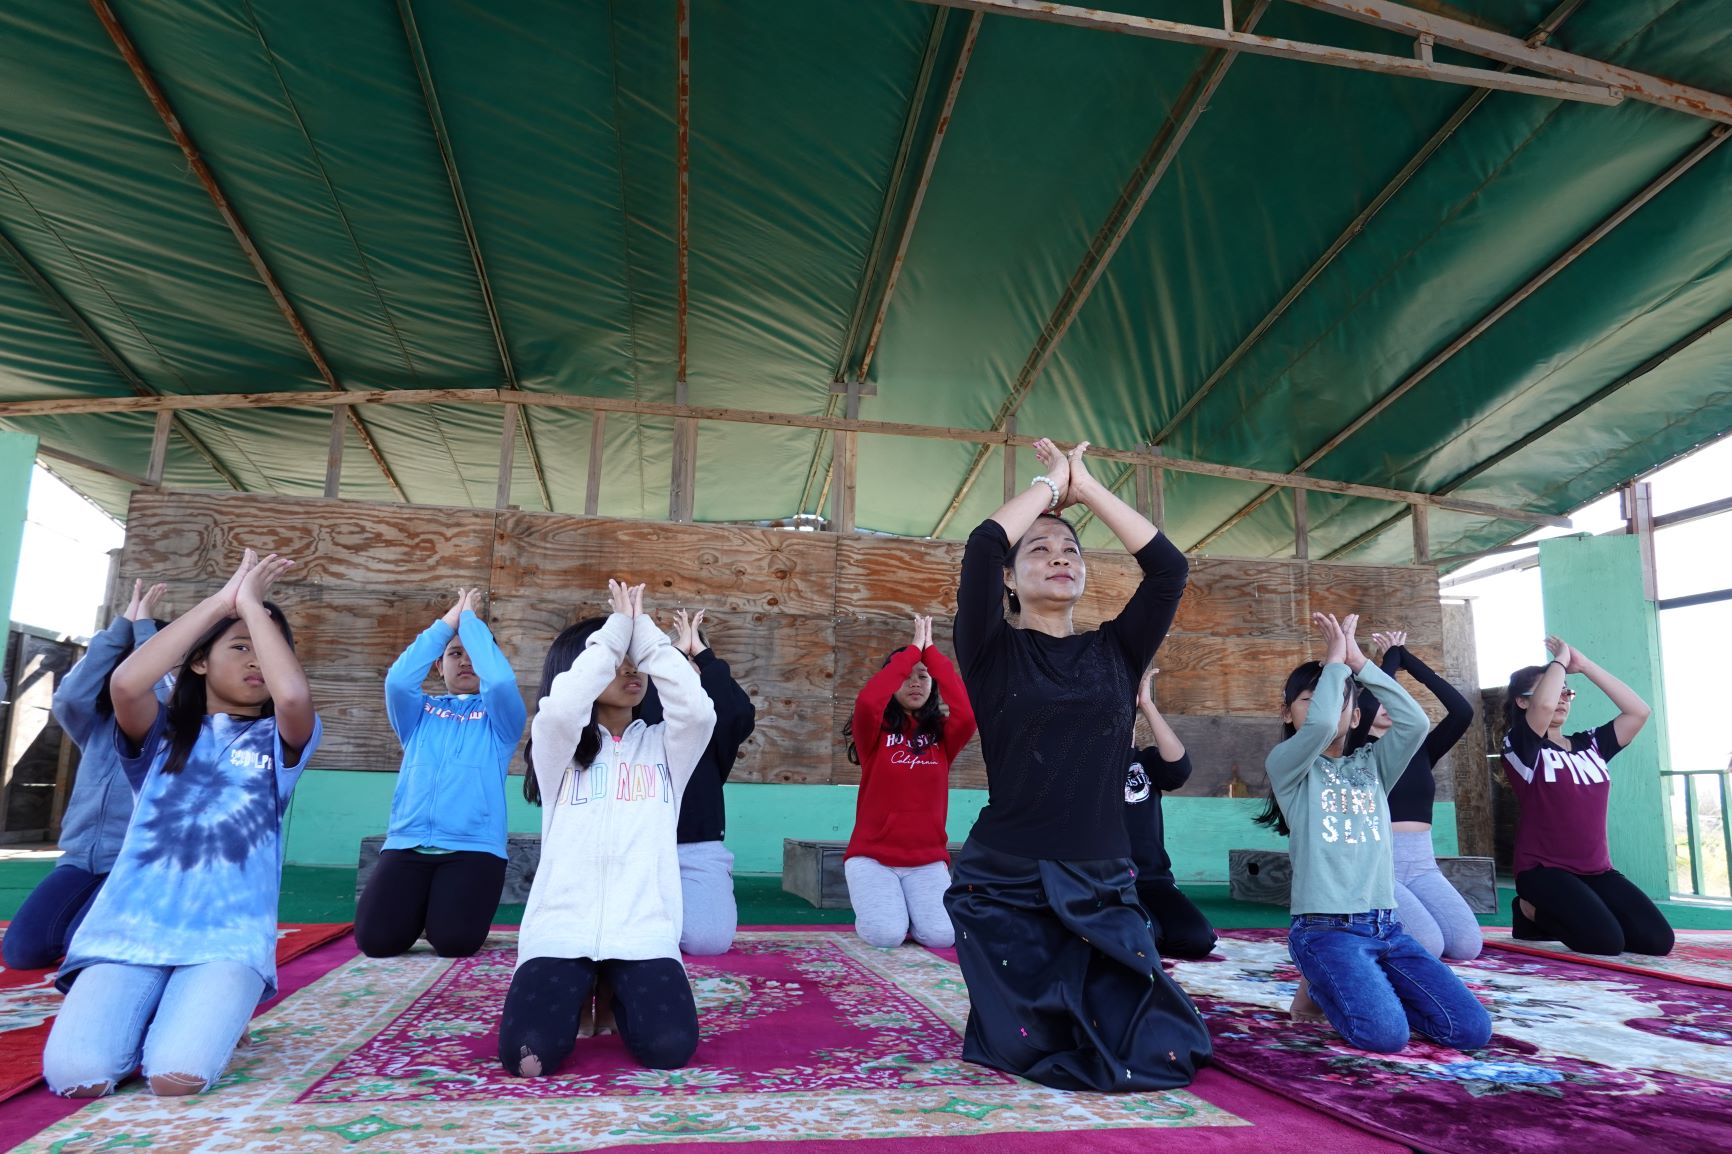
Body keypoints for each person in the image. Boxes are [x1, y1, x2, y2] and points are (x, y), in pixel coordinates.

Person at [944, 437, 1210, 1092]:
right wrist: (1050, 485)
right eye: (1038, 550)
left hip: (1102, 879)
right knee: (1029, 1047)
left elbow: (1168, 570)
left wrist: (1086, 488)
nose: (1059, 557)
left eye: (1070, 550)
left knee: (1160, 1050)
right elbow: (982, 545)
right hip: (1007, 881)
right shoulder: (989, 651)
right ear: (1010, 579)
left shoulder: (1118, 650)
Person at [42, 551, 320, 1098]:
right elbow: (126, 684)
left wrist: (253, 607)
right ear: (198, 663)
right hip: (129, 933)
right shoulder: (161, 735)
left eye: (267, 648)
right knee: (77, 1075)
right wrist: (223, 601)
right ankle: (166, 1012)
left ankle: (211, 1010)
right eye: (239, 646)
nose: (257, 661)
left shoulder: (280, 740)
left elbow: (292, 694)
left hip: (226, 939)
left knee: (177, 1076)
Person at [498, 580, 716, 1077]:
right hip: (560, 931)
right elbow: (561, 708)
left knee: (669, 1050)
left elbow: (698, 710)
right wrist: (616, 632)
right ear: (586, 664)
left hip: (643, 932)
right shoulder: (558, 750)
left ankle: (613, 988)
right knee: (528, 1059)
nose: (631, 669)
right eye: (618, 660)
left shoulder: (667, 747)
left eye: (635, 660)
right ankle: (583, 984)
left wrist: (647, 637)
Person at [1263, 612, 1490, 1054]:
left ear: (1355, 717)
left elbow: (1415, 723)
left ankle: (1352, 982)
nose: (1326, 707)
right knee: (1386, 1036)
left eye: (1337, 701)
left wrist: (1361, 664)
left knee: (1470, 1029)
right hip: (1326, 929)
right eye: (1310, 699)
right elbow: (1321, 727)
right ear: (1288, 714)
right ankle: (1323, 979)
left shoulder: (1372, 766)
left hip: (1387, 927)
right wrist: (1334, 662)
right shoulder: (1288, 766)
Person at [3, 580, 168, 970]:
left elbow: (161, 694)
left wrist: (146, 632)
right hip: (80, 860)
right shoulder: (94, 725)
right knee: (21, 953)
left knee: (85, 944)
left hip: (136, 864)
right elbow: (70, 696)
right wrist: (121, 628)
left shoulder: (171, 724)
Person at [354, 588, 526, 959]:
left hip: (473, 848)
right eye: (455, 653)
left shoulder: (501, 719)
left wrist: (470, 621)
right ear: (438, 665)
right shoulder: (417, 713)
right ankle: (420, 910)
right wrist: (448, 622)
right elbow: (398, 681)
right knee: (377, 942)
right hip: (407, 843)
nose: (466, 661)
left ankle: (437, 912)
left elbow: (499, 682)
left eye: (475, 654)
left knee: (455, 942)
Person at [1501, 636, 1671, 956]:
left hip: (1597, 870)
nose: (1562, 698)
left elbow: (1638, 711)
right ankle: (1528, 912)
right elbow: (1543, 707)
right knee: (1605, 941)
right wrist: (1559, 660)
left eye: (1567, 692)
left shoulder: (1592, 745)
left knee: (1657, 941)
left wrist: (1586, 666)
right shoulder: (1520, 746)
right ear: (1523, 702)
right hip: (1543, 870)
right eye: (1554, 690)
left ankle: (1580, 915)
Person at [1344, 630, 1481, 961]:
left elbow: (1462, 712)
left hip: (1422, 865)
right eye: (1384, 695)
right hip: (1376, 865)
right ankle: (1355, 922)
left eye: (1396, 697)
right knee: (1429, 945)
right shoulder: (1354, 750)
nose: (1390, 703)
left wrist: (1407, 658)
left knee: (1466, 945)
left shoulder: (1420, 748)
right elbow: (1369, 702)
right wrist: (1389, 660)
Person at [843, 614, 976, 949]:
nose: (915, 682)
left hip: (927, 861)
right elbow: (868, 702)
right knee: (886, 935)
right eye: (905, 676)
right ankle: (886, 912)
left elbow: (967, 713)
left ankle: (907, 912)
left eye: (923, 677)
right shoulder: (873, 733)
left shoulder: (943, 736)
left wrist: (931, 654)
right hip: (873, 859)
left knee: (942, 936)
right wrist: (911, 652)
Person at [637, 608, 756, 956]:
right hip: (640, 844)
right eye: (675, 664)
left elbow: (737, 714)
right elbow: (653, 711)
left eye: (693, 665)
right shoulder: (640, 710)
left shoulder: (715, 727)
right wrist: (674, 659)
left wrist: (705, 657)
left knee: (709, 942)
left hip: (698, 843)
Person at [1124, 667, 1216, 960]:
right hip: (1108, 883)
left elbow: (1179, 768)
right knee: (1144, 934)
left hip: (1154, 880)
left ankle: (1148, 935)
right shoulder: (1084, 765)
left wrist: (1146, 705)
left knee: (1198, 939)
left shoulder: (1145, 761)